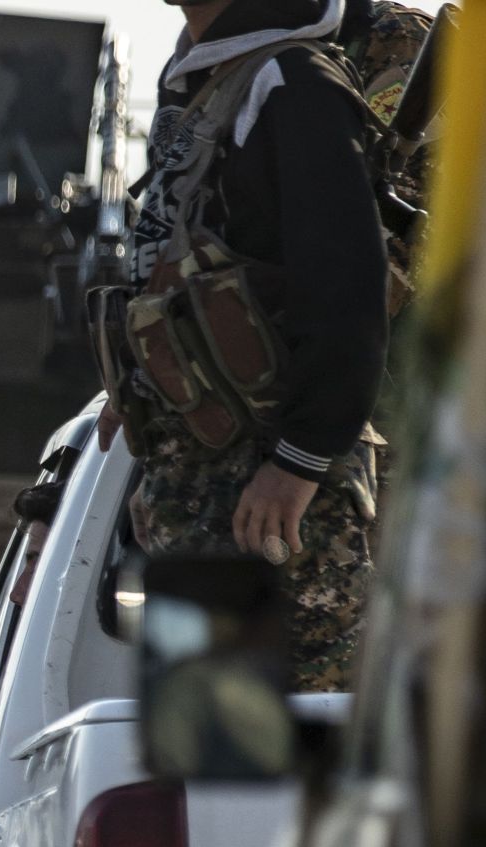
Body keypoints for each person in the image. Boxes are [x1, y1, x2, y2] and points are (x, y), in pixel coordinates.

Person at [95, 0, 392, 692]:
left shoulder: (292, 84)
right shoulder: (205, 83)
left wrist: (299, 461)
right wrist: (139, 381)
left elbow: (350, 287)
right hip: (204, 502)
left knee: (284, 774)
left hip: (277, 515)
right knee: (206, 765)